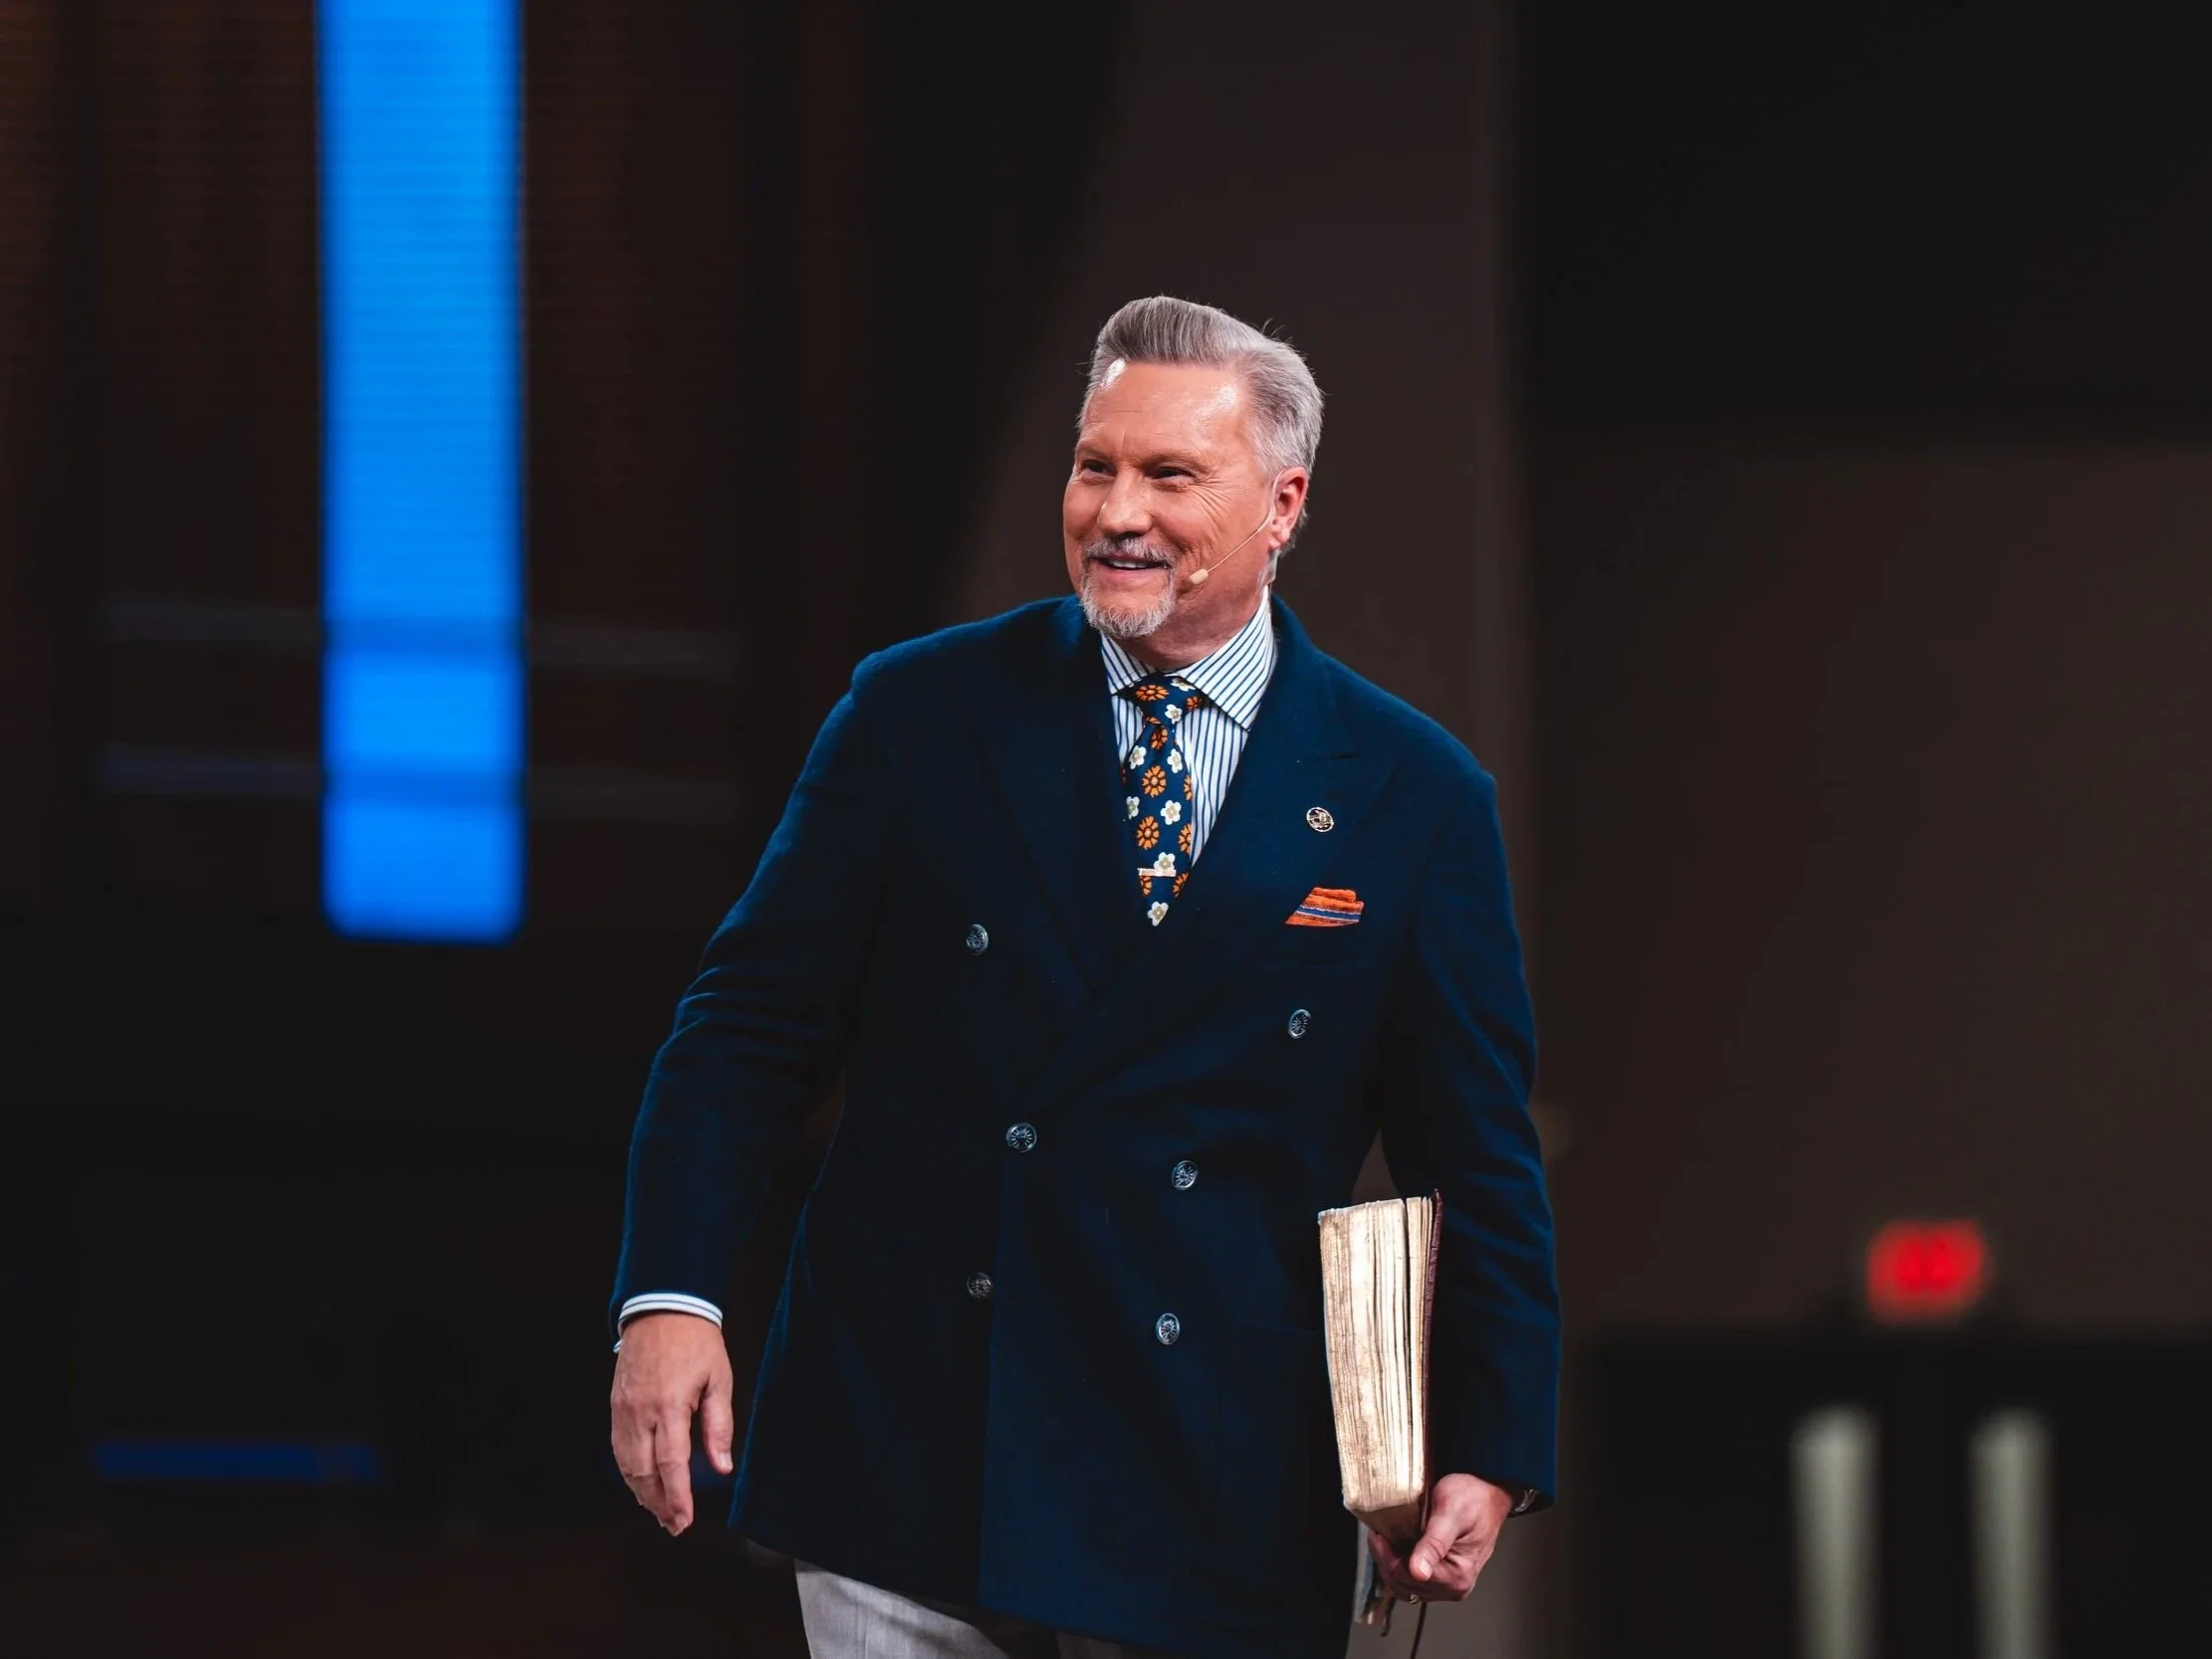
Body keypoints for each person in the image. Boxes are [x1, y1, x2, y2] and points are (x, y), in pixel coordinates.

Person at [607, 296, 1558, 1659]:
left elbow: (1474, 1157)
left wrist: (1491, 1437)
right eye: (1093, 465)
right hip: (913, 1437)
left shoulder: (1413, 794)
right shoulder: (918, 711)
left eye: (1169, 474)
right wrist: (670, 1295)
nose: (1117, 512)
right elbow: (742, 1031)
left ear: (1282, 505)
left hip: (1220, 1475)